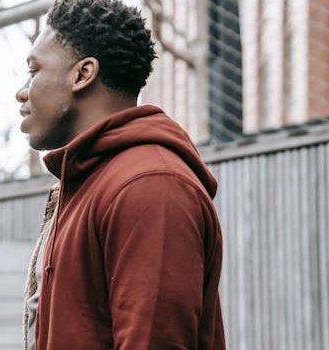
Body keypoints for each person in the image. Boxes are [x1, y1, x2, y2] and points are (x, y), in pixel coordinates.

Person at [16, 0, 226, 349]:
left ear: (83, 74)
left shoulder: (149, 186)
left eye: (34, 70)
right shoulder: (86, 183)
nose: (23, 90)